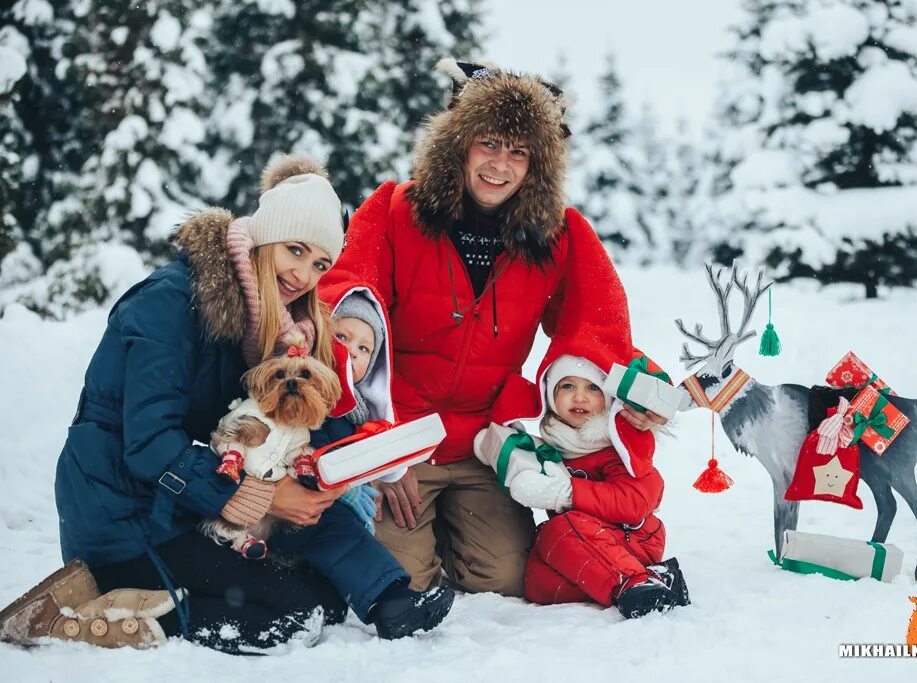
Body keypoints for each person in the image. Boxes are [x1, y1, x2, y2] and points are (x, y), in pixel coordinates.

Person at [0, 156, 453, 654]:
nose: (303, 275)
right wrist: (263, 497)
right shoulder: (170, 304)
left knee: (324, 596)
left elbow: (276, 425)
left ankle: (144, 594)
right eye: (295, 250)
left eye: (320, 264)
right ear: (263, 239)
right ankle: (93, 613)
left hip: (183, 507)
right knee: (292, 617)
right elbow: (148, 444)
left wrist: (331, 468)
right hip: (123, 513)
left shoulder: (269, 324)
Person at [317, 58, 668, 596]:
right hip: (401, 435)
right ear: (458, 144)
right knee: (402, 580)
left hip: (485, 441)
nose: (500, 165)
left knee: (503, 580)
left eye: (519, 151)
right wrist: (378, 450)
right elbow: (346, 299)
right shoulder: (394, 209)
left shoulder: (559, 235)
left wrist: (636, 390)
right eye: (489, 144)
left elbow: (598, 327)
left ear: (537, 165)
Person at [474, 353, 690, 619]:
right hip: (580, 542)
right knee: (536, 581)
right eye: (567, 386)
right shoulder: (557, 444)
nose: (579, 397)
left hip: (632, 538)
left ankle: (636, 584)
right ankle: (639, 580)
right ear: (551, 395)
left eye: (592, 388)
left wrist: (566, 493)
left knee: (559, 529)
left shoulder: (619, 444)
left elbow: (636, 502)